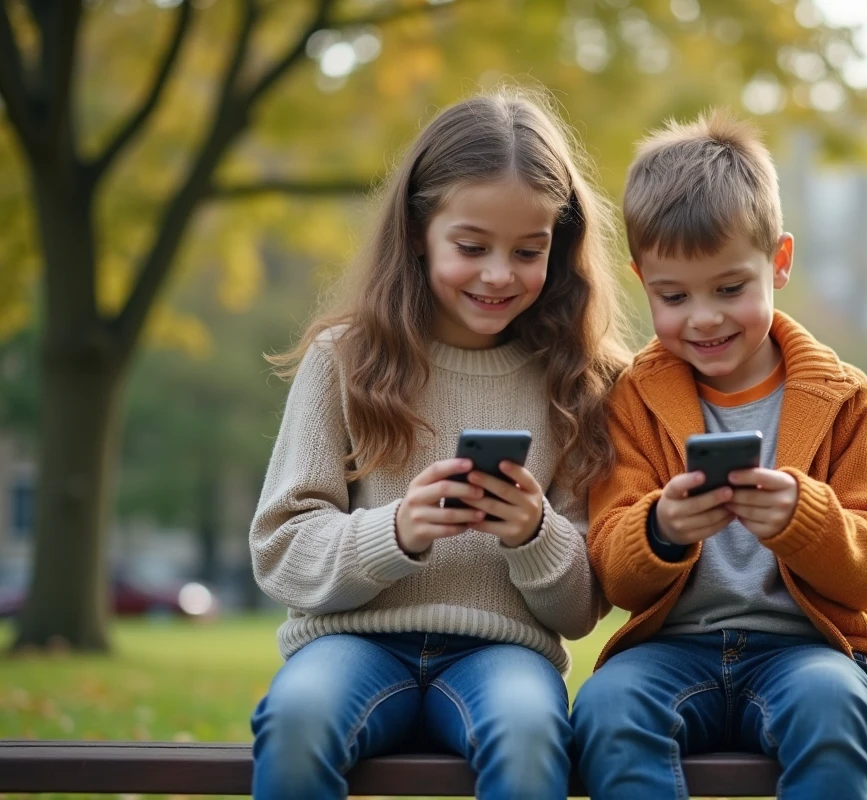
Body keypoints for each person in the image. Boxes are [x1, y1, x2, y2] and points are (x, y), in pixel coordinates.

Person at [248, 88, 627, 800]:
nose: (498, 274)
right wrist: (395, 531)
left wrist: (534, 533)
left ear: (560, 246)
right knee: (297, 719)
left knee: (528, 733)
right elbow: (281, 552)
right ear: (419, 231)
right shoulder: (344, 358)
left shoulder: (581, 383)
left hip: (504, 654)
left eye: (528, 251)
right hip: (351, 645)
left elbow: (581, 609)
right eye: (471, 247)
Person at [573, 110, 867, 800]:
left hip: (808, 651)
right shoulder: (631, 400)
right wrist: (660, 529)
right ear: (642, 279)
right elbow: (612, 569)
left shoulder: (843, 397)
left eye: (730, 289)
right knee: (607, 708)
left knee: (831, 706)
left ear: (779, 262)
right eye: (674, 296)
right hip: (672, 652)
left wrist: (806, 520)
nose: (704, 317)